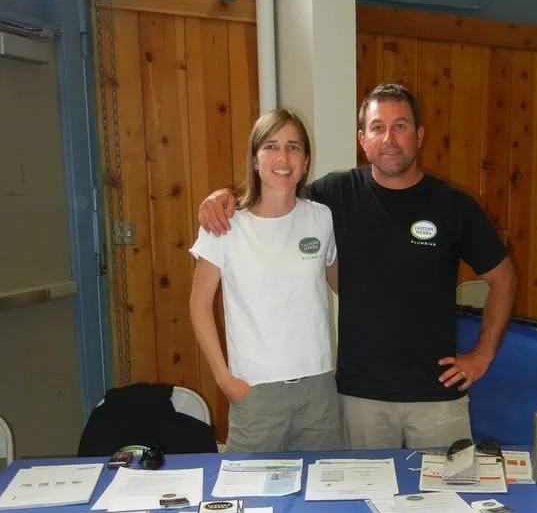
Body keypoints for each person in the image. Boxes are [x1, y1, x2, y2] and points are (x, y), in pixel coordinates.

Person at [198, 83, 516, 449]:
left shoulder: (454, 206)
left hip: (437, 399)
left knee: (446, 501)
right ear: (362, 139)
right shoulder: (332, 197)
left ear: (420, 134)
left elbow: (504, 279)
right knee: (359, 501)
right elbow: (276, 189)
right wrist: (222, 196)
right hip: (360, 400)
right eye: (378, 128)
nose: (390, 138)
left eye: (401, 126)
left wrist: (483, 355)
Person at [189, 108, 341, 452]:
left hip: (318, 391)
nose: (283, 157)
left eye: (294, 147)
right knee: (252, 495)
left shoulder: (322, 219)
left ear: (305, 162)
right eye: (271, 146)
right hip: (255, 391)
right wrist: (224, 379)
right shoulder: (225, 224)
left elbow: (340, 283)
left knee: (320, 491)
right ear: (255, 160)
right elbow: (198, 306)